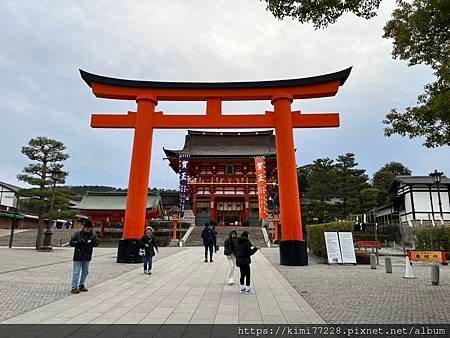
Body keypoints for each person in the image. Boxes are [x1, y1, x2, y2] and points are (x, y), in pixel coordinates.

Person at [69, 220, 98, 294]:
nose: (87, 230)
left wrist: (92, 242)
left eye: (89, 228)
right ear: (84, 228)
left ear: (91, 228)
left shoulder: (93, 235)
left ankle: (81, 284)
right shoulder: (77, 234)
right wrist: (79, 243)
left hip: (87, 255)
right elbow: (71, 243)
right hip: (78, 255)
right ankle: (74, 287)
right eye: (86, 228)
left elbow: (96, 243)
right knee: (76, 272)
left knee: (85, 272)